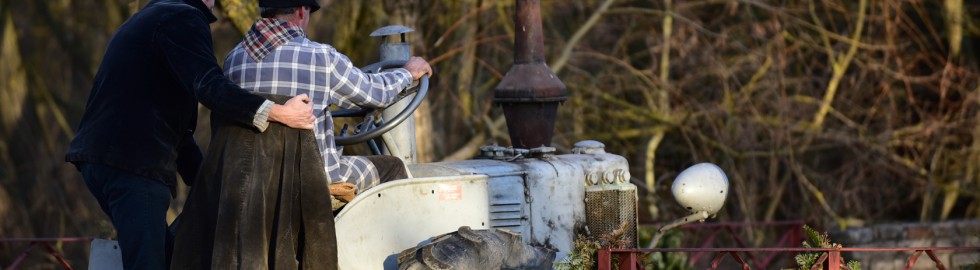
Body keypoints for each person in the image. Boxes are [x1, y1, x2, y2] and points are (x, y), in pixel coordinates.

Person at [63, 0, 317, 269]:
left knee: (174, 257)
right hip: (134, 164)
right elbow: (208, 85)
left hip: (102, 159)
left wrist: (208, 185)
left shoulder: (151, 17)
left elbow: (179, 132)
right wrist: (277, 112)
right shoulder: (183, 18)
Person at [223, 0, 433, 192]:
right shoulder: (320, 57)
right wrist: (407, 73)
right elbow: (377, 94)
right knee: (392, 167)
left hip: (248, 178)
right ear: (301, 10)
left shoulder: (233, 60)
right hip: (312, 177)